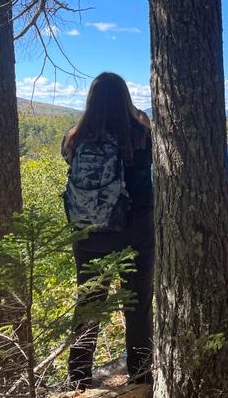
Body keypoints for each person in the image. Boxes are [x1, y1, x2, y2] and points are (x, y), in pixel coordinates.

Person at [62, 72, 154, 389]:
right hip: (134, 234)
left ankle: (79, 381)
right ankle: (141, 378)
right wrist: (144, 121)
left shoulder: (74, 137)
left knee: (88, 307)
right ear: (126, 99)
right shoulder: (140, 134)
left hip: (87, 235)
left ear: (91, 101)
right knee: (137, 307)